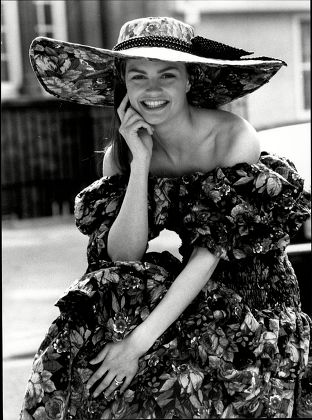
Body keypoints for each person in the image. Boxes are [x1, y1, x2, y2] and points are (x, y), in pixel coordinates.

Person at [21, 17, 311, 419]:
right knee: (104, 294)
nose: (152, 90)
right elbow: (123, 254)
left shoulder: (231, 137)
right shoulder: (122, 154)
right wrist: (138, 163)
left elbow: (210, 255)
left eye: (167, 74)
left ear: (188, 80)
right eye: (138, 76)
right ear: (124, 84)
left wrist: (136, 345)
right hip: (187, 294)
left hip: (251, 296)